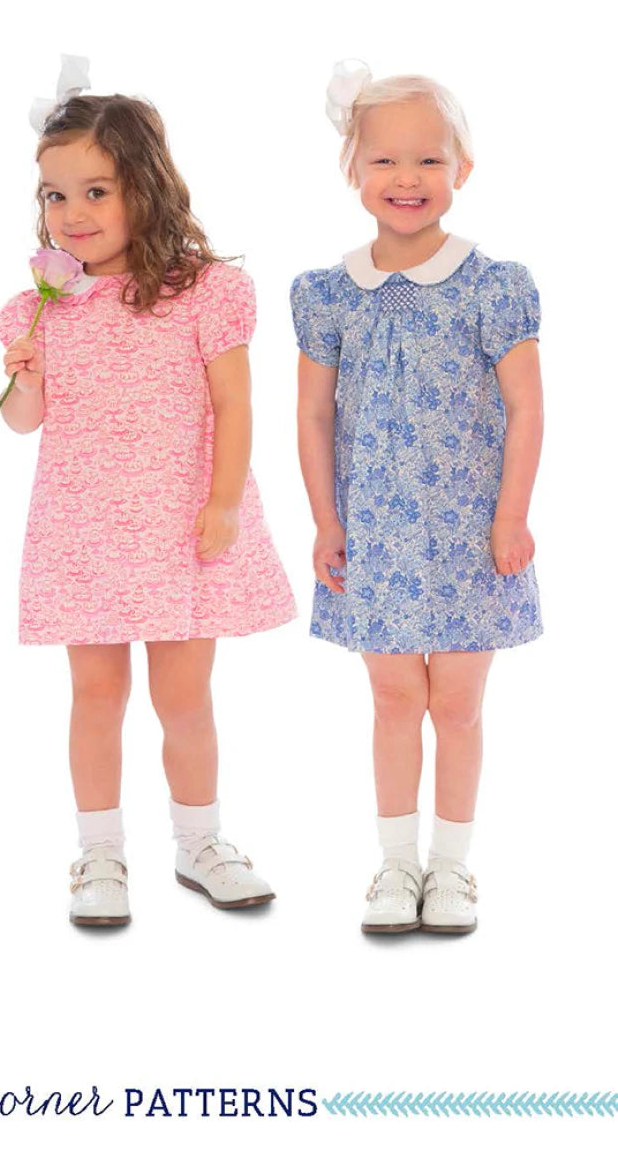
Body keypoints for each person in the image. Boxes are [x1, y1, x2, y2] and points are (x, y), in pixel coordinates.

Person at [0, 61, 296, 926]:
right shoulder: (39, 308)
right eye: (56, 196)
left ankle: (200, 841)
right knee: (95, 696)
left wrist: (224, 500)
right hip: (84, 530)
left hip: (179, 525)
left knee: (184, 698)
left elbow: (234, 404)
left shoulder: (204, 292)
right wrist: (24, 377)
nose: (73, 213)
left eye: (96, 190)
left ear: (146, 185)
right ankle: (99, 851)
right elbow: (23, 423)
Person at [290, 60, 543, 935]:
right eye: (386, 160)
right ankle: (396, 864)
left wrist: (511, 514)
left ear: (462, 167)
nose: (408, 178)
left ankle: (453, 867)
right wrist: (326, 519)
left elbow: (526, 407)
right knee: (395, 700)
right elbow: (313, 414)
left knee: (459, 706)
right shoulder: (329, 294)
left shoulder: (493, 285)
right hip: (378, 537)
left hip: (474, 535)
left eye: (429, 159)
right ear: (353, 169)